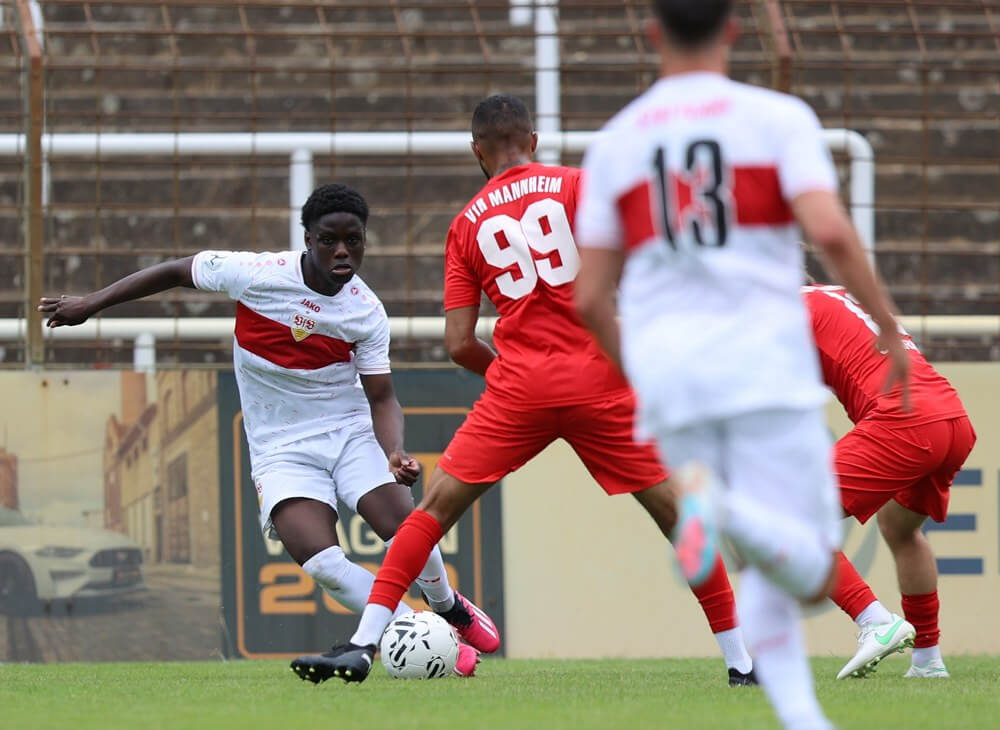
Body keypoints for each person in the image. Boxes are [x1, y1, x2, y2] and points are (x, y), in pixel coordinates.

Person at [290, 94, 756, 686]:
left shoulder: (466, 224)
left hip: (519, 390)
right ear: (533, 141)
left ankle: (362, 645)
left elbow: (459, 342)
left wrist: (513, 382)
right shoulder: (580, 187)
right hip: (600, 382)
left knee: (430, 514)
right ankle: (741, 663)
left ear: (476, 152)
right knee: (680, 518)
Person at [572, 2, 910, 728]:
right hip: (763, 363)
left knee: (759, 567)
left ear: (652, 33)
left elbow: (591, 297)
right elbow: (830, 231)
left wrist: (642, 378)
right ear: (731, 29)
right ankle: (722, 510)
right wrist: (887, 326)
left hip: (672, 372)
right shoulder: (777, 120)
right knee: (812, 568)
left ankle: (801, 714)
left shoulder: (618, 142)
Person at [37, 182, 498, 679]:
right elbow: (173, 271)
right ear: (308, 239)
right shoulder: (256, 274)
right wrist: (91, 304)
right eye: (329, 240)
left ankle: (447, 605)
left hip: (348, 433)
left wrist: (394, 451)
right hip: (280, 448)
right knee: (321, 563)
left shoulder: (366, 311)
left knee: (405, 528)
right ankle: (423, 634)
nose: (342, 251)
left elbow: (382, 397)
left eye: (354, 240)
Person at [803, 284, 975, 680]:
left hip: (905, 421)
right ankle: (927, 660)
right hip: (951, 416)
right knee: (899, 526)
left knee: (787, 518)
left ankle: (874, 620)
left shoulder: (787, 307)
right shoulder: (839, 295)